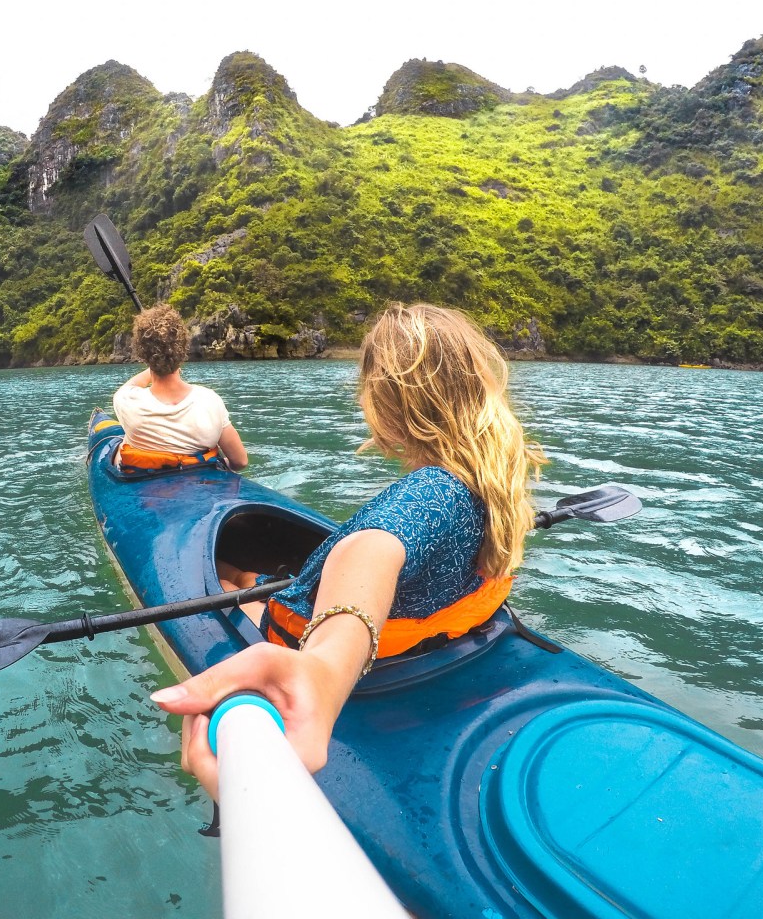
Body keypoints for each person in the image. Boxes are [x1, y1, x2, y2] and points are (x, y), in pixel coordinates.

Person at [151, 302, 545, 796]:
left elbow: (371, 550)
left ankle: (247, 588)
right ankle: (250, 586)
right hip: (429, 642)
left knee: (231, 581)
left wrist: (322, 672)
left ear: (387, 400)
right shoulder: (493, 479)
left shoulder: (429, 493)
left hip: (320, 644)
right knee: (244, 579)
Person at [112, 304, 249, 472]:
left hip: (145, 485)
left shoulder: (126, 400)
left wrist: (156, 364)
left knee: (119, 449)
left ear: (142, 355)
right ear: (183, 349)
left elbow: (131, 384)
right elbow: (240, 461)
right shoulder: (209, 400)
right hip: (203, 484)